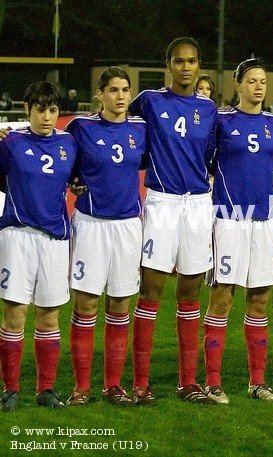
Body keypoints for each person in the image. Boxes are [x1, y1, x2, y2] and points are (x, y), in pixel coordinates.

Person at [128, 37, 218, 404]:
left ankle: (188, 382)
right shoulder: (149, 101)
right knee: (151, 290)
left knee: (190, 293)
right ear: (168, 64)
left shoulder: (210, 109)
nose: (185, 67)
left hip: (197, 203)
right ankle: (140, 383)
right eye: (179, 61)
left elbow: (218, 155)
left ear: (200, 66)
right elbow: (117, 126)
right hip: (162, 202)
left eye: (192, 61)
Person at [64, 67, 147, 406]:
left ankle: (113, 385)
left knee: (120, 303)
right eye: (113, 89)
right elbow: (58, 155)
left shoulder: (141, 129)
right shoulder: (80, 127)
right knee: (86, 305)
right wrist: (72, 181)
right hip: (90, 225)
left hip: (128, 226)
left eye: (125, 89)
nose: (121, 96)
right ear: (100, 94)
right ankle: (81, 387)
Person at [204, 58, 273, 403]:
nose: (259, 86)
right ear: (238, 85)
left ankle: (257, 382)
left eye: (263, 80)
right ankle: (213, 382)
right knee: (222, 299)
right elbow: (203, 159)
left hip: (264, 221)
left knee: (260, 300)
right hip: (229, 220)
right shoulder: (221, 121)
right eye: (251, 80)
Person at [0, 81, 77, 411]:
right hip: (17, 236)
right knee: (14, 315)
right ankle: (11, 390)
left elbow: (76, 180)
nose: (47, 117)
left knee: (49, 317)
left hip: (55, 239)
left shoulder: (69, 144)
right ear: (28, 109)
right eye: (41, 109)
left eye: (53, 110)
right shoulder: (10, 143)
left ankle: (46, 389)